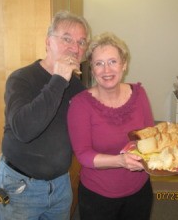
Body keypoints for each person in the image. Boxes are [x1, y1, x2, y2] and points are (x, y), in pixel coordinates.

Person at [0, 10, 91, 220]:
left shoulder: (78, 88)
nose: (75, 48)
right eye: (67, 39)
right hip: (20, 187)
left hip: (60, 186)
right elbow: (24, 130)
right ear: (48, 42)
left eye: (81, 42)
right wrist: (59, 78)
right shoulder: (21, 79)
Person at [67, 32, 154, 220]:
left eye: (113, 61)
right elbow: (83, 155)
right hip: (98, 197)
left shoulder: (139, 94)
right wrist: (120, 161)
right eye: (99, 63)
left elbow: (149, 136)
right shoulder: (80, 104)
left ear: (124, 65)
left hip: (139, 191)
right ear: (92, 68)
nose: (106, 70)